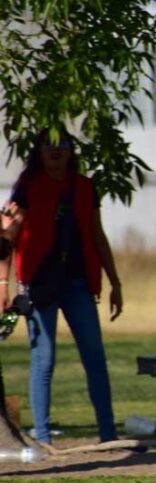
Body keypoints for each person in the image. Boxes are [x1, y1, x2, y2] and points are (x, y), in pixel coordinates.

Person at [0, 130, 123, 447]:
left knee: (94, 356)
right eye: (49, 145)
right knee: (44, 360)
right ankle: (42, 437)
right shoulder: (28, 187)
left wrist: (114, 281)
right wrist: (3, 283)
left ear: (72, 152)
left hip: (78, 281)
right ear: (39, 152)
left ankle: (108, 433)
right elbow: (8, 236)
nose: (56, 151)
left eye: (63, 144)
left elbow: (97, 234)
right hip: (40, 283)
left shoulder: (84, 186)